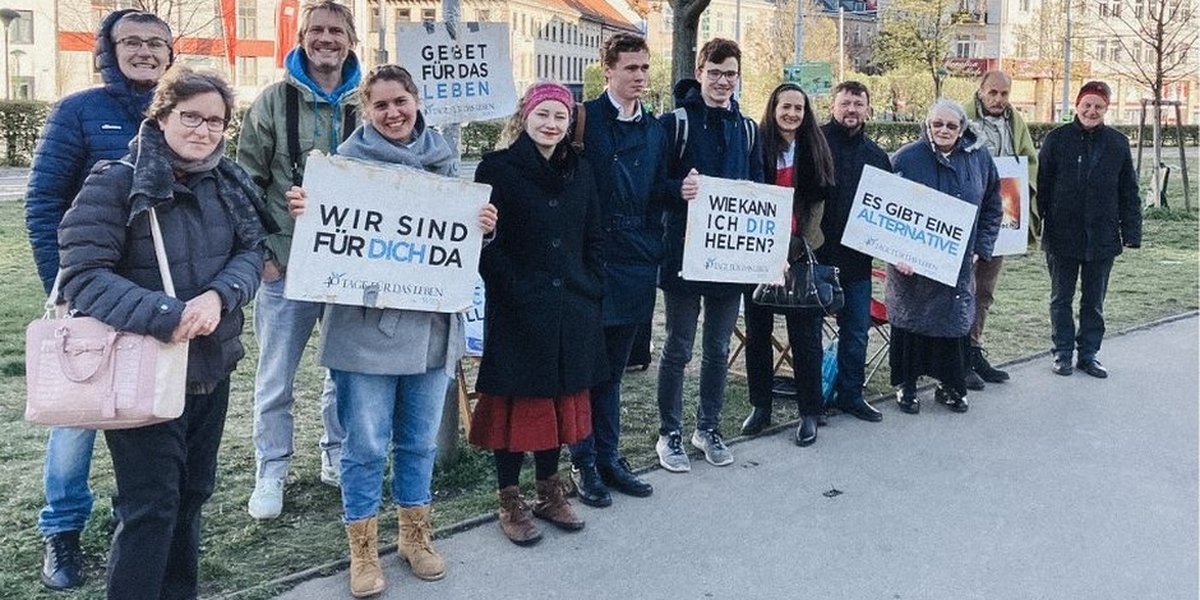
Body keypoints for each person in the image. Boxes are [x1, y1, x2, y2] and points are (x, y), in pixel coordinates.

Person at [285, 64, 497, 598]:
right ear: (366, 110)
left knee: (419, 441)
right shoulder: (340, 169)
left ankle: (414, 537)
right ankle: (362, 548)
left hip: (431, 328)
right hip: (363, 335)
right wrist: (307, 214)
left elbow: (455, 250)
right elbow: (325, 246)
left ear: (416, 100)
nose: (392, 112)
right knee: (365, 444)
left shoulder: (444, 161)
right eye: (380, 105)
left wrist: (482, 231)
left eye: (400, 101)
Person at [56, 65, 267, 600]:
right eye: (191, 117)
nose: (203, 130)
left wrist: (219, 296)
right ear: (162, 116)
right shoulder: (116, 182)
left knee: (192, 497)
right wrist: (166, 313)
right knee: (149, 507)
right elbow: (83, 275)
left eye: (215, 121)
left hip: (211, 366)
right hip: (141, 369)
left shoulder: (228, 181)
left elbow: (251, 252)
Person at [23, 9, 173, 590]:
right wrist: (61, 287)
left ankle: (131, 517)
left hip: (155, 295)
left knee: (144, 409)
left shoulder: (176, 112)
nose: (144, 51)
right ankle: (62, 530)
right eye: (131, 42)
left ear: (169, 54)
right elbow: (43, 204)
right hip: (90, 293)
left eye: (155, 43)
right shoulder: (78, 111)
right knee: (77, 417)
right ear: (108, 50)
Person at [237, 0, 362, 519]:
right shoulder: (272, 102)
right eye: (317, 31)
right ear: (302, 37)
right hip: (285, 264)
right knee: (276, 377)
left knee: (344, 371)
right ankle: (271, 470)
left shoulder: (367, 101)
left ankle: (336, 454)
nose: (326, 39)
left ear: (350, 40)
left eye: (336, 31)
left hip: (350, 265)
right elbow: (245, 183)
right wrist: (263, 253)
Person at [469, 81, 607, 546]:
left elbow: (593, 235)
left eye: (559, 117)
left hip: (572, 304)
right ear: (525, 116)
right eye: (542, 114)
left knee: (558, 402)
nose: (551, 124)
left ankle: (549, 491)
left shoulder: (581, 170)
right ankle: (509, 499)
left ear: (569, 123)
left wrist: (591, 284)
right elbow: (484, 240)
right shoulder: (497, 168)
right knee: (516, 405)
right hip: (517, 306)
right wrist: (512, 286)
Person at [655, 38, 764, 472]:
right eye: (715, 73)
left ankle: (708, 428)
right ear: (699, 72)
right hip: (683, 255)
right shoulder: (675, 123)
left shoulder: (748, 129)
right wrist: (677, 189)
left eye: (730, 74)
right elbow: (654, 185)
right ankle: (670, 433)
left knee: (718, 348)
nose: (722, 81)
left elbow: (759, 189)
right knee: (679, 347)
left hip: (730, 258)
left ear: (738, 77)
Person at [568, 32, 663, 508]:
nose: (639, 76)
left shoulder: (655, 128)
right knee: (585, 370)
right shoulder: (583, 118)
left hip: (636, 261)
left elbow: (659, 189)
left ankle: (608, 457)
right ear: (608, 70)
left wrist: (681, 189)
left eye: (644, 67)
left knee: (614, 371)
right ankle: (582, 461)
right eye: (630, 68)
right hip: (592, 258)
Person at [887, 99, 1002, 414]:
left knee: (951, 324)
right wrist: (894, 252)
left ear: (962, 128)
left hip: (957, 262)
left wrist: (981, 247)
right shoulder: (906, 158)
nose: (943, 130)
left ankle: (950, 384)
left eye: (951, 125)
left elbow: (993, 205)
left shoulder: (979, 158)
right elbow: (884, 208)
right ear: (927, 125)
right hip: (910, 265)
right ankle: (907, 385)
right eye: (937, 124)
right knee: (911, 321)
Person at [740, 82, 835, 446]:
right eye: (786, 107)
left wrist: (798, 248)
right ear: (774, 108)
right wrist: (768, 249)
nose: (792, 114)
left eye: (799, 108)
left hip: (800, 252)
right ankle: (760, 405)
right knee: (757, 333)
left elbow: (818, 203)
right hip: (759, 252)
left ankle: (809, 411)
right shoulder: (757, 145)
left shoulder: (813, 148)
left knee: (805, 337)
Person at [1038, 81, 1141, 379]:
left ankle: (1089, 353)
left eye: (1098, 106)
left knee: (1094, 300)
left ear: (1106, 109)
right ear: (1077, 106)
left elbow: (1128, 191)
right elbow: (1042, 186)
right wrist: (1034, 226)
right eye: (1087, 105)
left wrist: (1132, 232)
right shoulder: (1056, 140)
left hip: (1102, 236)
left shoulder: (1117, 143)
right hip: (1062, 234)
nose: (1091, 111)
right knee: (1061, 298)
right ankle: (1062, 352)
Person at [817, 81, 891, 423]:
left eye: (858, 104)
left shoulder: (877, 156)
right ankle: (812, 399)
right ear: (833, 106)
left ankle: (851, 395)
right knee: (810, 332)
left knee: (857, 333)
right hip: (817, 257)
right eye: (845, 103)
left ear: (867, 110)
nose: (851, 110)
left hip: (858, 261)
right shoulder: (815, 142)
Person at [962, 70, 1039, 389]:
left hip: (1002, 217)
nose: (998, 99)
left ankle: (974, 350)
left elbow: (1029, 162)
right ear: (980, 91)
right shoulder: (962, 117)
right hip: (967, 217)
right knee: (961, 289)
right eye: (992, 92)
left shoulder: (1015, 122)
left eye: (1004, 93)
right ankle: (957, 357)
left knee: (985, 290)